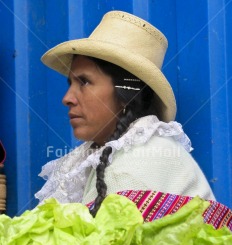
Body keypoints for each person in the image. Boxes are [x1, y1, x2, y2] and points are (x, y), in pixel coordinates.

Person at [35, 10, 215, 217]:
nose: (67, 98)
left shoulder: (133, 165)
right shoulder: (115, 155)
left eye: (84, 82)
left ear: (126, 95)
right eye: (71, 83)